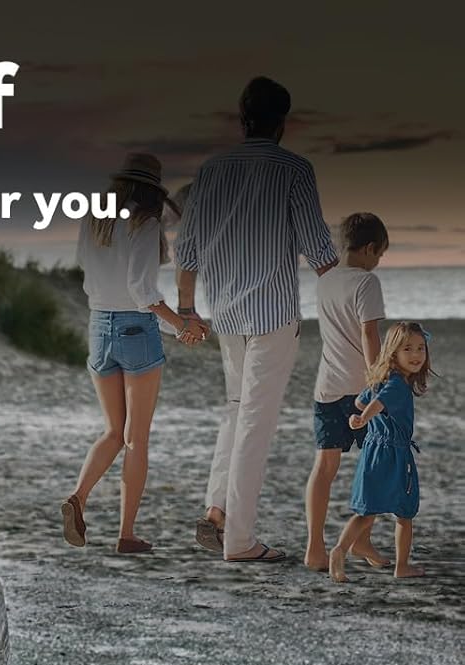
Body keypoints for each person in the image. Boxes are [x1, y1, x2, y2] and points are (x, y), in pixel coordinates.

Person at [176, 76, 338, 563]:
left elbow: (186, 250)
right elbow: (318, 249)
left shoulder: (211, 170)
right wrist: (350, 291)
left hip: (225, 312)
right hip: (272, 315)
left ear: (242, 119)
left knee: (236, 407)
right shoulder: (294, 169)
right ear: (282, 123)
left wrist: (187, 310)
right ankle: (240, 541)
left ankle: (217, 511)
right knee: (255, 422)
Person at [60, 153, 208, 555]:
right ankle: (126, 535)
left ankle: (77, 498)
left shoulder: (94, 218)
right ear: (151, 191)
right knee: (135, 440)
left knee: (112, 430)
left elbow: (95, 279)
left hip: (98, 326)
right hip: (135, 329)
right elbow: (142, 292)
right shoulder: (146, 223)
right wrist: (182, 324)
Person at [306, 212, 390, 570]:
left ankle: (314, 549)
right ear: (370, 248)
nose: (377, 262)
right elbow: (369, 334)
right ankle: (361, 540)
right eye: (380, 255)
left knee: (324, 468)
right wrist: (377, 380)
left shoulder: (325, 281)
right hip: (360, 389)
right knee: (376, 468)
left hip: (327, 387)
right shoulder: (366, 283)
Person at [329, 322, 431, 582]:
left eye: (421, 348)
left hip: (373, 451)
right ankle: (402, 566)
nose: (416, 354)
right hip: (394, 455)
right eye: (408, 348)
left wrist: (359, 419)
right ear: (393, 352)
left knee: (366, 511)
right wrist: (364, 418)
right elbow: (375, 404)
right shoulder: (397, 385)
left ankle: (341, 549)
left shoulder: (384, 378)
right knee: (405, 514)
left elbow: (361, 400)